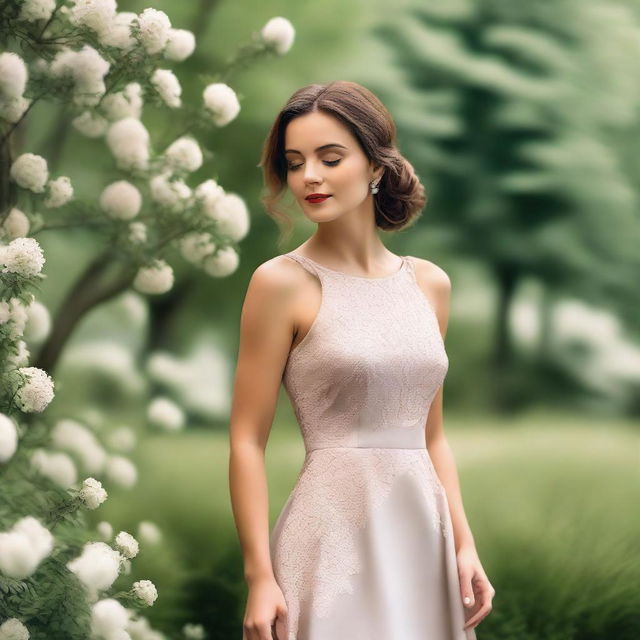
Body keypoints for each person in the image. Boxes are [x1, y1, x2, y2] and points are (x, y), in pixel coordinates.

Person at [229, 80, 495, 640]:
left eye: (330, 158)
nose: (310, 178)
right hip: (328, 542)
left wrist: (465, 544)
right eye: (295, 162)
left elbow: (431, 437)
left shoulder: (430, 284)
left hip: (424, 537)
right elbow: (246, 441)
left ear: (376, 166)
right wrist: (259, 575)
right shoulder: (280, 284)